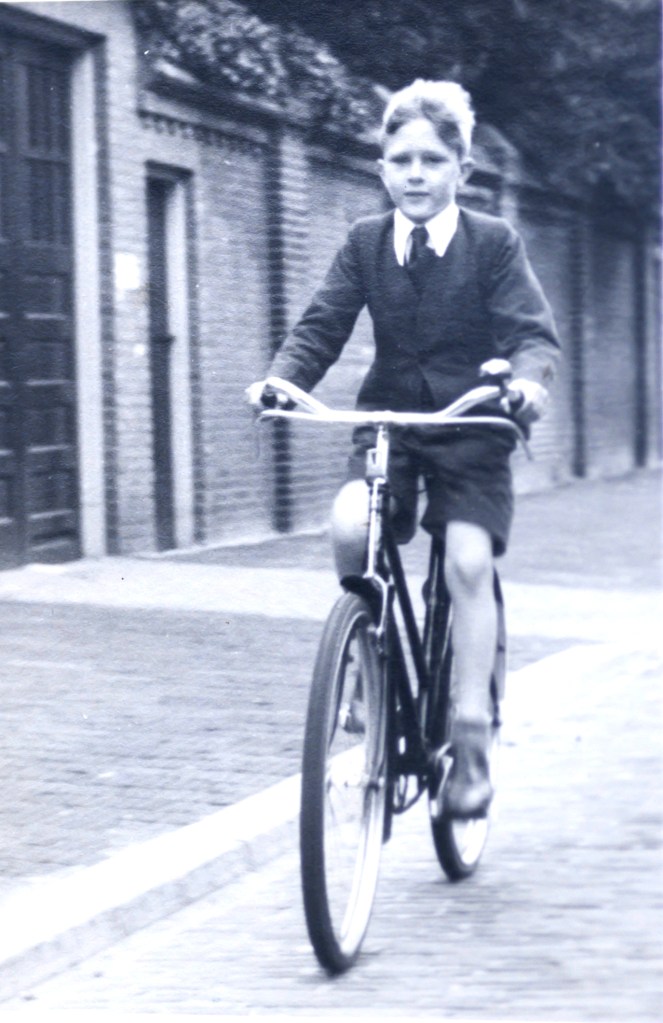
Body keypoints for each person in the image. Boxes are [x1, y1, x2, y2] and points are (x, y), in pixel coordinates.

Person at [247, 79, 560, 819]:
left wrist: (525, 384)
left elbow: (531, 334)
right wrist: (281, 381)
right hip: (392, 422)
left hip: (474, 423)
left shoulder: (492, 242)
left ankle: (472, 744)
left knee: (466, 563)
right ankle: (369, 654)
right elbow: (322, 324)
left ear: (462, 169)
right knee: (350, 522)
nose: (415, 175)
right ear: (381, 168)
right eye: (400, 160)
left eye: (431, 160)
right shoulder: (365, 240)